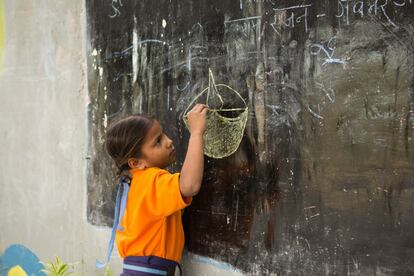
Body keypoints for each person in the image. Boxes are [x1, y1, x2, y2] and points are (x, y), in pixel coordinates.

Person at [96, 104, 208, 275]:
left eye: (163, 134)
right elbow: (190, 186)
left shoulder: (136, 182)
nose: (169, 141)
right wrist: (197, 133)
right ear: (136, 163)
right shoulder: (151, 180)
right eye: (158, 141)